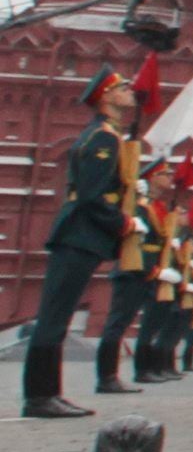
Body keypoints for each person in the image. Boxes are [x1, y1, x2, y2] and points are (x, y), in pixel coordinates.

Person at [22, 72, 134, 418]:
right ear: (106, 96)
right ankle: (40, 397)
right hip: (79, 234)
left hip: (80, 236)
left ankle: (47, 394)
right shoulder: (103, 138)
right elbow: (90, 196)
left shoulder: (107, 135)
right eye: (123, 88)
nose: (130, 92)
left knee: (58, 315)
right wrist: (123, 222)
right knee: (54, 317)